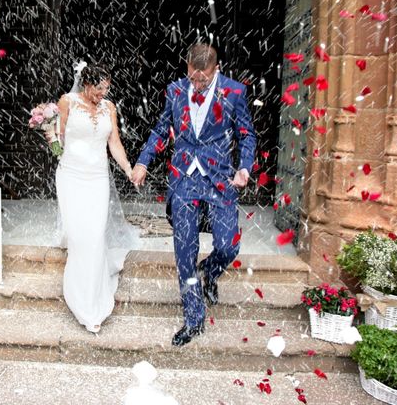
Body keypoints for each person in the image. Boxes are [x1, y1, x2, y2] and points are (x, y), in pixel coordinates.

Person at [131, 44, 256, 346]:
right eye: (194, 78)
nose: (197, 84)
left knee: (228, 246)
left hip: (220, 177)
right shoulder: (175, 90)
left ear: (217, 69)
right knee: (184, 251)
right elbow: (162, 129)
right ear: (187, 67)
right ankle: (193, 319)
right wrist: (143, 161)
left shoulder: (235, 92)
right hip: (184, 179)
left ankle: (210, 272)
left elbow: (247, 134)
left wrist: (245, 168)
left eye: (204, 80)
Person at [53, 63, 135, 334]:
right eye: (99, 89)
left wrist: (128, 169)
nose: (103, 94)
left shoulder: (108, 108)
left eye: (106, 89)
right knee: (79, 237)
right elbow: (58, 139)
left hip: (98, 179)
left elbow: (114, 143)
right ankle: (80, 301)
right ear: (86, 84)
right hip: (71, 177)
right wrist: (50, 137)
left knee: (95, 234)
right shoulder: (67, 102)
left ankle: (94, 302)